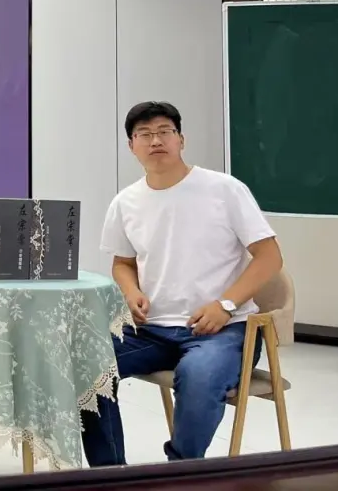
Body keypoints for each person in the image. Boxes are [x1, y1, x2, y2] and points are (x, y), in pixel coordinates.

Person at [81, 101, 284, 465]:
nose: (155, 140)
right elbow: (123, 263)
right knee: (84, 363)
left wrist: (225, 305)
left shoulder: (224, 189)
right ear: (131, 146)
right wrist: (131, 291)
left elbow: (269, 257)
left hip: (224, 330)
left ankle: (180, 475)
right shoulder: (125, 202)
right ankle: (110, 474)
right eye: (144, 134)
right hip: (151, 330)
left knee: (198, 376)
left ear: (181, 140)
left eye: (164, 131)